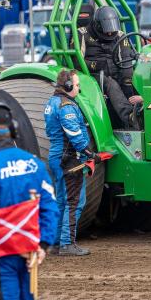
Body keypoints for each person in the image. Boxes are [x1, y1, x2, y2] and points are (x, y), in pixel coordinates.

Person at [0, 102, 59, 300]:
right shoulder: (36, 164)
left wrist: (15, 246)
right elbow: (50, 208)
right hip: (30, 256)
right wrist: (42, 245)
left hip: (1, 260)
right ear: (14, 130)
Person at [44, 69, 102, 256]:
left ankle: (55, 243)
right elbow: (75, 136)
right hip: (69, 160)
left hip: (57, 158)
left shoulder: (52, 102)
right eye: (77, 85)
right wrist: (90, 154)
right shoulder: (66, 106)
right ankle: (67, 244)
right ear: (68, 86)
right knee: (74, 202)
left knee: (61, 201)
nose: (78, 88)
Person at [79, 5, 143, 129]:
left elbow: (126, 60)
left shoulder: (120, 35)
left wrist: (128, 81)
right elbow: (77, 62)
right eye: (106, 30)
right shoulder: (83, 34)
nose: (109, 33)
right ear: (97, 25)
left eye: (111, 29)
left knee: (130, 79)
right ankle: (130, 116)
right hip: (93, 75)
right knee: (111, 84)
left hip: (116, 72)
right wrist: (96, 65)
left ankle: (142, 114)